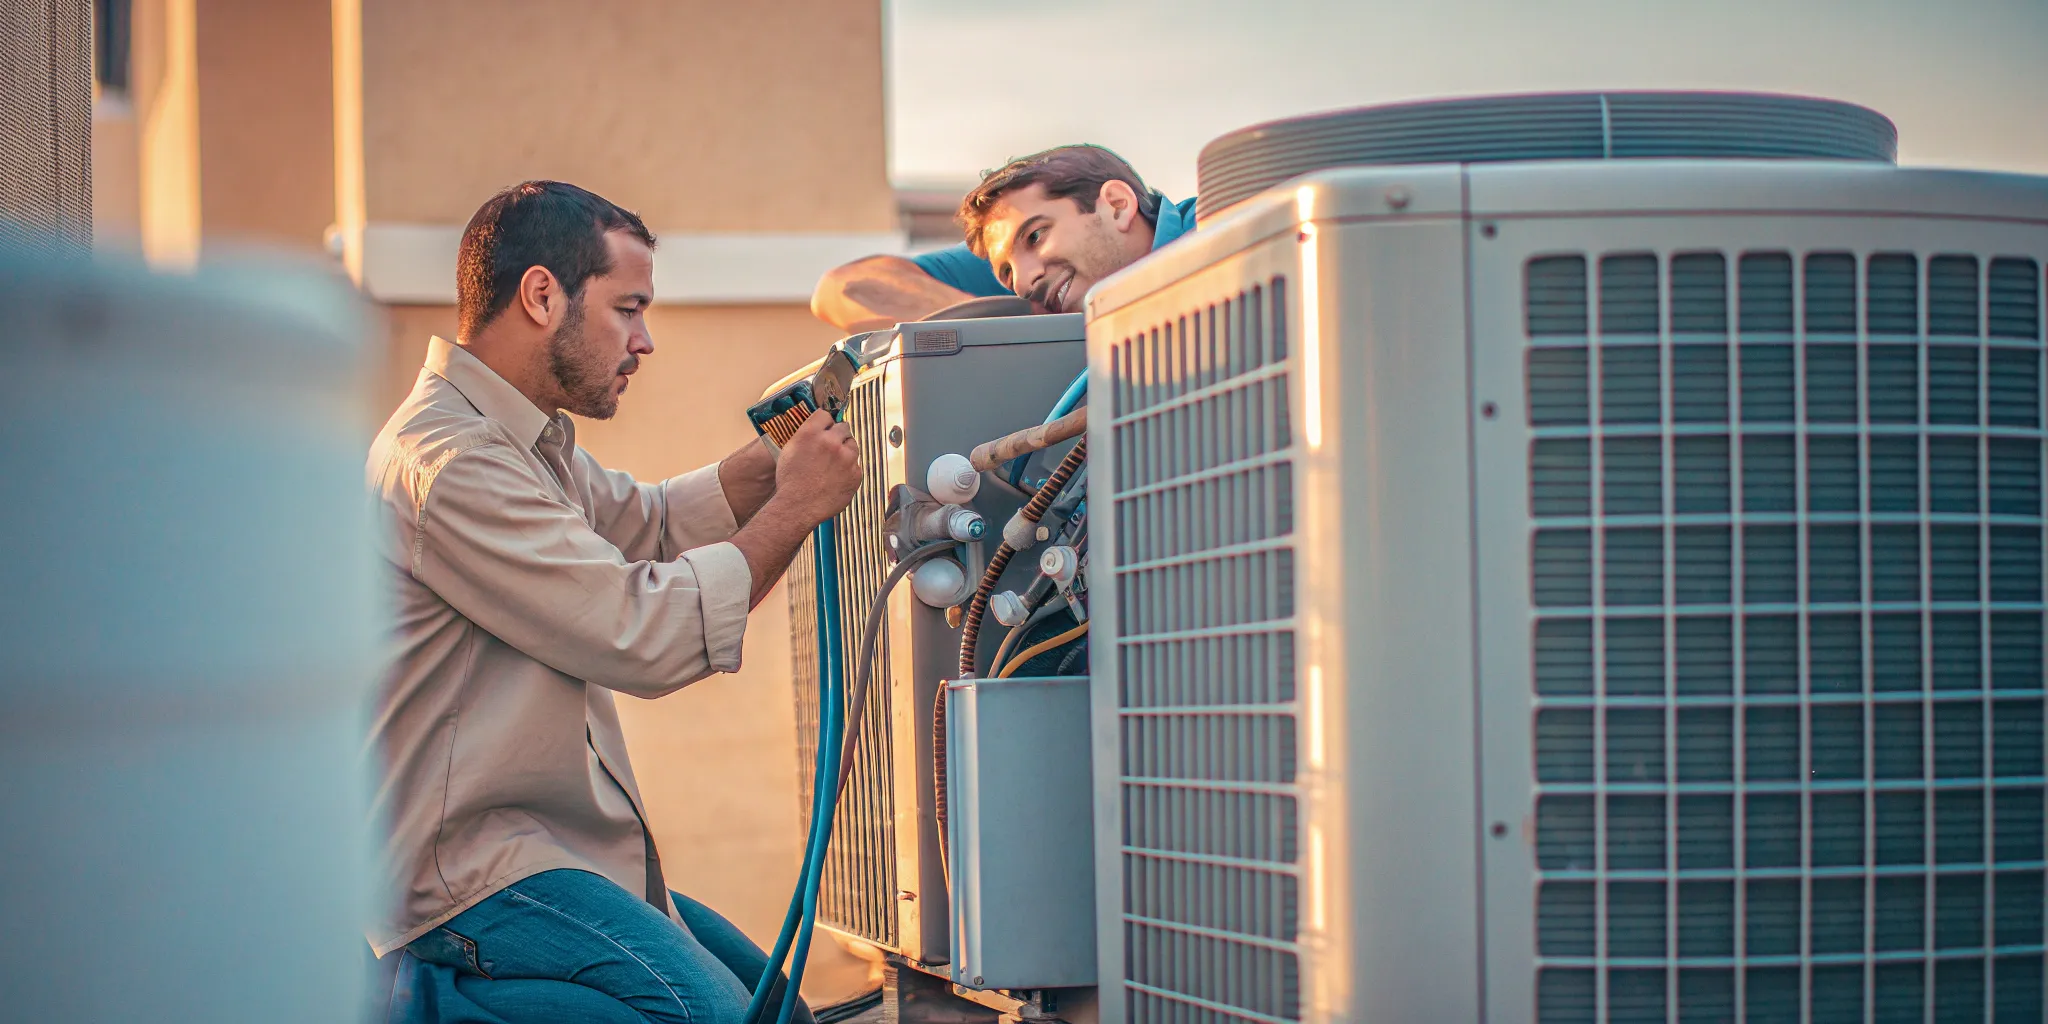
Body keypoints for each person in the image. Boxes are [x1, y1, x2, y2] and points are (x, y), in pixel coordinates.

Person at [364, 180, 862, 1024]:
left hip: (559, 854)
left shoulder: (529, 442)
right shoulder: (453, 464)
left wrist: (780, 449)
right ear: (541, 294)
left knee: (779, 1013)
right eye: (627, 309)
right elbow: (641, 631)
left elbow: (657, 525)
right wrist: (798, 505)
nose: (645, 340)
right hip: (469, 877)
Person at [810, 144, 1196, 333]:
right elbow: (845, 288)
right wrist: (1010, 330)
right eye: (1006, 273)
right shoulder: (1040, 293)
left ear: (1116, 205)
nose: (1024, 283)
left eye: (1036, 235)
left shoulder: (1222, 224)